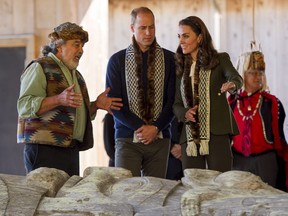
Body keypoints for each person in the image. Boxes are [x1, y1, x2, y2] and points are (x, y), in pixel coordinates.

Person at [17, 22, 123, 176]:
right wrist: (58, 99)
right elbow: (24, 106)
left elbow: (76, 112)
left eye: (82, 46)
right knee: (46, 198)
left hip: (70, 149)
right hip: (44, 149)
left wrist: (95, 105)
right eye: (76, 45)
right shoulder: (40, 67)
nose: (81, 50)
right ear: (60, 46)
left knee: (66, 199)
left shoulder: (76, 76)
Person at [105, 7, 176, 178]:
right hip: (127, 139)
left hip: (160, 139)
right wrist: (140, 127)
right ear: (132, 28)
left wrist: (156, 127)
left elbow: (173, 101)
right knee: (126, 192)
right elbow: (113, 103)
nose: (148, 32)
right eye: (142, 28)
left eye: (151, 27)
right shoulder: (117, 60)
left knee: (155, 195)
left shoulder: (170, 60)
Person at [173, 16, 243, 173]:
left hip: (217, 132)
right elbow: (176, 104)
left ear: (199, 38)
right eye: (179, 36)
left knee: (221, 184)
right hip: (189, 137)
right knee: (193, 188)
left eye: (186, 36)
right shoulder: (179, 67)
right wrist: (185, 113)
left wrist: (232, 85)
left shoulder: (219, 59)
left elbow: (236, 77)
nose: (181, 41)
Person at [229, 51, 288, 191]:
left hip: (265, 161)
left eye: (261, 72)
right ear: (242, 75)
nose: (258, 76)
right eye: (252, 72)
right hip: (238, 162)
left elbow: (279, 137)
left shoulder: (272, 103)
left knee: (268, 202)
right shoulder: (232, 102)